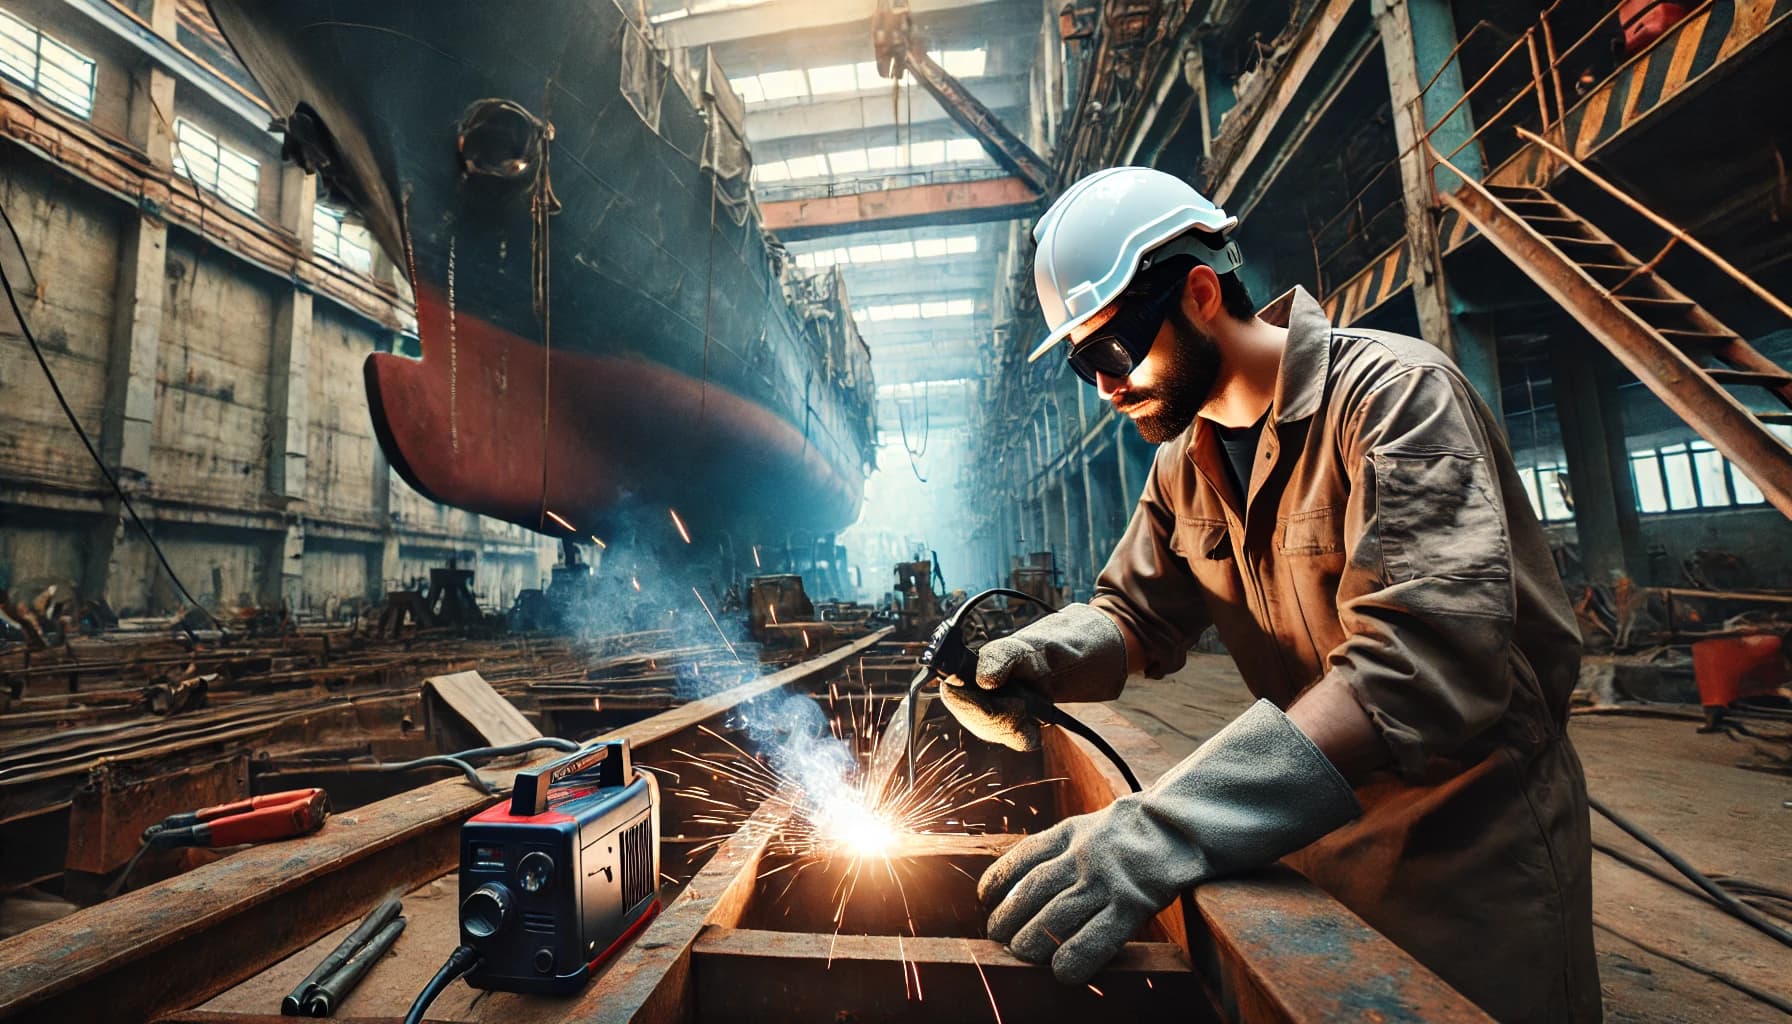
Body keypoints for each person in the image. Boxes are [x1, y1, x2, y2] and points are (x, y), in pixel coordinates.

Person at [939, 166, 1599, 1022]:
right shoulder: (1188, 461)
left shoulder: (1395, 398)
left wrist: (1165, 825)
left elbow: (1418, 669)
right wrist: (1036, 657)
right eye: (1082, 364)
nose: (1104, 385)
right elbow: (1136, 615)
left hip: (1466, 877)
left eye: (1113, 350)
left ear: (1201, 293)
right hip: (1304, 845)